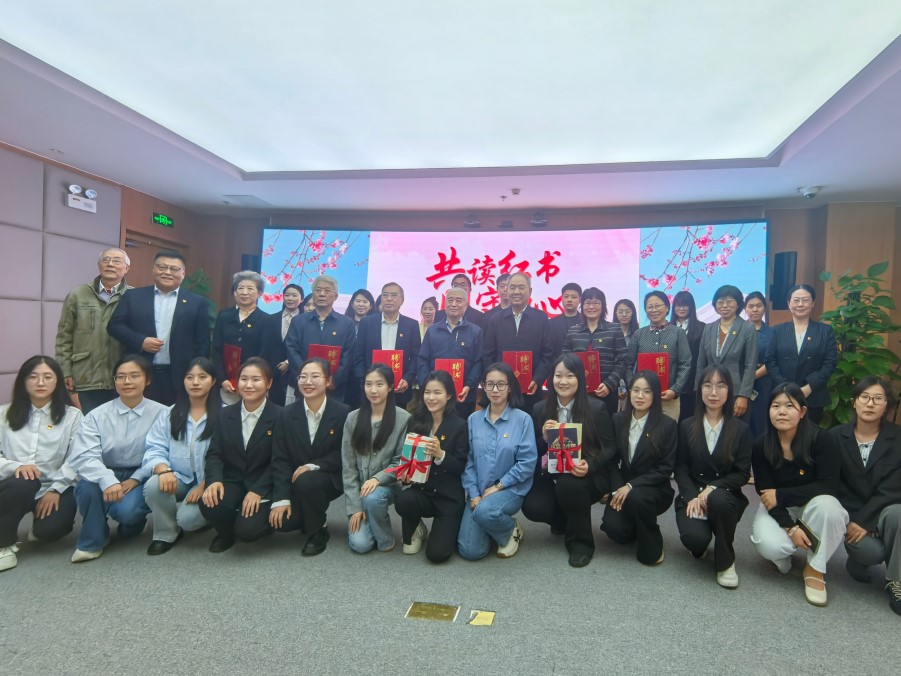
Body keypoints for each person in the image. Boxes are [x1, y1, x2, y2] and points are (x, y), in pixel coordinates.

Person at [750, 383, 848, 607]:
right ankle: (786, 551)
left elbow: (828, 486)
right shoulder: (761, 445)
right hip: (779, 506)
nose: (781, 412)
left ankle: (815, 569)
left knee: (831, 509)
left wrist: (782, 495)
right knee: (768, 544)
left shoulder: (822, 440)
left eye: (789, 406)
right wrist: (790, 527)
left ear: (802, 412)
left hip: (813, 504)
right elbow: (765, 494)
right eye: (775, 406)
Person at [68, 355, 168, 562]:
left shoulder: (162, 413)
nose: (127, 381)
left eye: (134, 376)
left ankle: (134, 523)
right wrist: (108, 479)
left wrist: (137, 478)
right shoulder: (97, 415)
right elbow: (85, 455)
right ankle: (92, 542)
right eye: (120, 377)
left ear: (147, 380)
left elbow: (162, 451)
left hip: (142, 473)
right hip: (104, 470)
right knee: (86, 488)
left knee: (127, 513)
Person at [521, 354, 616, 567]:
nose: (563, 381)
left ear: (580, 378)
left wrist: (589, 465)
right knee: (533, 505)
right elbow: (530, 450)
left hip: (590, 474)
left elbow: (610, 448)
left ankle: (581, 543)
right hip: (552, 473)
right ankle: (563, 520)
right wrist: (544, 438)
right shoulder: (540, 409)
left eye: (570, 376)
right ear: (551, 378)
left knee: (569, 485)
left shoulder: (596, 409)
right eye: (558, 375)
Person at [0, 357, 82, 572]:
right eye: (33, 377)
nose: (40, 382)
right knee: (24, 482)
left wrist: (56, 489)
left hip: (52, 487)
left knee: (50, 530)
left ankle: (38, 523)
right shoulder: (3, 414)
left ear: (57, 381)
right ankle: (3, 545)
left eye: (47, 377)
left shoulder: (72, 416)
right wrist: (15, 467)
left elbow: (77, 458)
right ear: (23, 381)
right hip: (12, 485)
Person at [674, 365, 752, 588]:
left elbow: (742, 473)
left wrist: (713, 487)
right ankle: (701, 541)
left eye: (721, 386)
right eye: (707, 385)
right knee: (695, 540)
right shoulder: (687, 425)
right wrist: (691, 496)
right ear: (700, 390)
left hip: (725, 498)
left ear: (729, 390)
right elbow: (680, 467)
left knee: (718, 498)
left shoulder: (741, 429)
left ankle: (726, 561)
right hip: (693, 495)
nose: (714, 392)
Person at [831, 377, 901, 615]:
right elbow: (833, 485)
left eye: (878, 398)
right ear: (854, 402)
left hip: (885, 510)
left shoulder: (898, 439)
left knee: (898, 514)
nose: (870, 404)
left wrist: (868, 520)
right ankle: (857, 562)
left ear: (886, 404)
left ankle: (896, 581)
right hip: (852, 517)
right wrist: (855, 520)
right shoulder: (835, 437)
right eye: (865, 397)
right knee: (872, 552)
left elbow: (895, 487)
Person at [269, 358, 350, 556]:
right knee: (282, 523)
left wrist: (313, 466)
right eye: (303, 377)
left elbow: (344, 453)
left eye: (315, 376)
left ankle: (318, 531)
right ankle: (307, 513)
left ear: (328, 381)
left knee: (308, 480)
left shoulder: (343, 413)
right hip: (296, 480)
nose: (308, 382)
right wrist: (281, 498)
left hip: (331, 476)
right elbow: (280, 458)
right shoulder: (286, 414)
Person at [107, 251, 211, 405]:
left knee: (175, 416)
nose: (167, 272)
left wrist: (198, 371)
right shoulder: (133, 296)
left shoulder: (197, 302)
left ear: (183, 273)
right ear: (154, 269)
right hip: (140, 371)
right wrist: (140, 341)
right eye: (162, 267)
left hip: (180, 374)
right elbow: (114, 326)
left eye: (174, 269)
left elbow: (203, 341)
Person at [141, 358, 221, 555]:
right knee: (154, 485)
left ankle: (205, 519)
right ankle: (165, 533)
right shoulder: (169, 414)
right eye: (189, 377)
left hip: (210, 480)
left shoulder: (225, 414)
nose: (195, 382)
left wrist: (206, 484)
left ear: (213, 381)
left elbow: (231, 455)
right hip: (179, 477)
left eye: (202, 377)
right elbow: (155, 447)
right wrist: (163, 470)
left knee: (188, 520)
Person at [200, 358, 281, 553]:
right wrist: (214, 480)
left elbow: (280, 460)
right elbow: (214, 453)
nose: (249, 385)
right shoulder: (224, 414)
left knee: (247, 531)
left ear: (269, 383)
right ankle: (226, 534)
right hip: (234, 480)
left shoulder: (280, 416)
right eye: (244, 379)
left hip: (263, 484)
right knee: (209, 502)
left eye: (256, 379)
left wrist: (259, 490)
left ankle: (260, 524)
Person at [458, 362, 537, 560]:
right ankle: (491, 521)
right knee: (471, 551)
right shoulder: (473, 419)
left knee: (485, 513)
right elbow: (468, 461)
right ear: (483, 387)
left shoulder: (523, 419)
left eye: (501, 384)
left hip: (510, 490)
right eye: (490, 384)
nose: (495, 390)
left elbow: (527, 462)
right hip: (479, 492)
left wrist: (498, 486)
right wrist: (474, 494)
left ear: (510, 387)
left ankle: (511, 529)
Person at [601, 370, 677, 565]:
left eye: (647, 391)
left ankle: (652, 538)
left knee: (637, 498)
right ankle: (638, 522)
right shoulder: (618, 419)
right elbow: (611, 460)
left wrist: (631, 486)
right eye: (635, 390)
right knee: (614, 529)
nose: (640, 396)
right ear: (629, 392)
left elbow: (665, 468)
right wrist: (617, 488)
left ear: (655, 395)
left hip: (654, 488)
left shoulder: (667, 425)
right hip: (623, 486)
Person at [394, 370, 469, 563]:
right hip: (423, 491)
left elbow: (460, 466)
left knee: (437, 554)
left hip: (448, 498)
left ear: (449, 395)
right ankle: (418, 528)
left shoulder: (460, 425)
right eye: (427, 392)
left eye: (437, 392)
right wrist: (405, 474)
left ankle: (446, 526)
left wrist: (440, 454)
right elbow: (409, 458)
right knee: (402, 499)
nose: (431, 398)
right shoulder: (416, 421)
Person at [342, 364, 411, 553]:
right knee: (361, 545)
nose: (373, 390)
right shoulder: (352, 418)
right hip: (359, 491)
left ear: (390, 387)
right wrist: (355, 508)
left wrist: (377, 479)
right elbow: (348, 467)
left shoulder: (403, 418)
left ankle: (385, 539)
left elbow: (401, 462)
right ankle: (366, 516)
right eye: (368, 384)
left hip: (388, 487)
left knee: (372, 497)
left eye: (379, 384)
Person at [55, 248, 132, 413]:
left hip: (123, 377)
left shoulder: (134, 296)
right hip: (85, 376)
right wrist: (65, 371)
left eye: (116, 261)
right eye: (106, 260)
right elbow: (64, 337)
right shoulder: (78, 295)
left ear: (126, 268)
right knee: (87, 424)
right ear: (99, 265)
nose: (110, 264)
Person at [764, 284, 838, 424]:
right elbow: (770, 360)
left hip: (812, 395)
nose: (800, 304)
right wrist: (785, 388)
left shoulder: (825, 331)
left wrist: (809, 387)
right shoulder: (777, 331)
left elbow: (830, 362)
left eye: (805, 300)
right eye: (796, 300)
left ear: (813, 303)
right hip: (782, 395)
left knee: (810, 434)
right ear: (789, 303)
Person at [483, 272, 554, 414]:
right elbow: (488, 354)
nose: (516, 292)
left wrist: (538, 379)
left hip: (531, 389)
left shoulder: (541, 318)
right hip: (501, 390)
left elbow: (548, 354)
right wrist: (493, 381)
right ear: (507, 290)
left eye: (521, 287)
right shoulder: (496, 319)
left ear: (530, 291)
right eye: (512, 287)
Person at [285, 275, 356, 402]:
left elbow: (348, 355)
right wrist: (306, 377)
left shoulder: (346, 323)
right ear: (313, 295)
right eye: (318, 290)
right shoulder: (298, 321)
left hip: (334, 389)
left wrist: (334, 380)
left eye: (327, 290)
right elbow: (291, 350)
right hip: (305, 387)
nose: (322, 294)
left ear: (335, 296)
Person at [418, 287, 484, 418]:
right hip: (435, 396)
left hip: (463, 396)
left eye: (458, 301)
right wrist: (426, 385)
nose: (453, 304)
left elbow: (478, 362)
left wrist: (469, 385)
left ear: (466, 306)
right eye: (450, 300)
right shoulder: (432, 330)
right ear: (445, 304)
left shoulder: (475, 331)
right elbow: (422, 360)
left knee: (460, 429)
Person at [353, 282, 421, 409]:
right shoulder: (367, 323)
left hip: (399, 389)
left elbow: (416, 356)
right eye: (385, 295)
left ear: (402, 300)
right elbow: (358, 355)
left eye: (394, 295)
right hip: (371, 390)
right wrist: (365, 381)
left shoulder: (411, 325)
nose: (389, 299)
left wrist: (408, 379)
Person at [562, 287, 629, 413]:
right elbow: (565, 359)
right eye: (587, 303)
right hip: (578, 392)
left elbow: (623, 360)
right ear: (582, 306)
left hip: (607, 392)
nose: (591, 307)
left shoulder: (614, 329)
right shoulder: (573, 331)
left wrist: (609, 384)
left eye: (596, 303)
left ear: (603, 306)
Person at [626, 291, 692, 421]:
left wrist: (675, 390)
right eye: (650, 307)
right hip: (642, 398)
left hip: (669, 398)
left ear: (667, 308)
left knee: (668, 432)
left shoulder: (678, 333)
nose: (654, 310)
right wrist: (633, 387)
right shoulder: (639, 334)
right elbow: (627, 364)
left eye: (657, 306)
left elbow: (685, 363)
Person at [695, 285, 758, 420]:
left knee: (734, 430)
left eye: (729, 301)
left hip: (735, 393)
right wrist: (698, 391)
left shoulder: (747, 329)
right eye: (720, 302)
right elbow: (701, 363)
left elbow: (750, 365)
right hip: (710, 392)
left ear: (738, 304)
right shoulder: (708, 328)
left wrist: (744, 395)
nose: (724, 305)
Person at [212, 271, 270, 405]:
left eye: (250, 288)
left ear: (259, 293)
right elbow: (216, 349)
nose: (244, 292)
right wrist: (222, 379)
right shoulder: (224, 316)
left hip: (253, 384)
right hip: (227, 383)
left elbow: (265, 354)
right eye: (240, 288)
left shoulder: (266, 320)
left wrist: (252, 379)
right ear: (235, 292)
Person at [261, 283, 304, 406]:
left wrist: (288, 362)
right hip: (273, 371)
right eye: (287, 295)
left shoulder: (305, 321)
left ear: (301, 299)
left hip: (294, 372)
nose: (290, 298)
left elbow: (303, 346)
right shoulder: (270, 319)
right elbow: (265, 346)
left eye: (294, 296)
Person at [670, 291, 706, 421]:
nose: (681, 308)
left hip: (692, 383)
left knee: (689, 421)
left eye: (685, 305)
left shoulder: (702, 328)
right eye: (678, 305)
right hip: (670, 384)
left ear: (691, 307)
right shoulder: (666, 328)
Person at [744, 291, 772, 439]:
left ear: (764, 308)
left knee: (760, 424)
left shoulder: (772, 333)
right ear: (745, 309)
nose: (755, 310)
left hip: (763, 384)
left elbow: (772, 360)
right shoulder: (737, 331)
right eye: (750, 306)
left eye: (759, 306)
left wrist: (752, 376)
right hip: (740, 383)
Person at [613, 299, 639, 412]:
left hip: (633, 377)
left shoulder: (638, 333)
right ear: (615, 313)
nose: (624, 315)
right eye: (620, 311)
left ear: (633, 313)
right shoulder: (609, 332)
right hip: (614, 377)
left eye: (627, 311)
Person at [548, 282, 583, 358]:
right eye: (566, 297)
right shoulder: (551, 323)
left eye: (574, 297)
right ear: (562, 299)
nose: (569, 300)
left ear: (580, 300)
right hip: (557, 364)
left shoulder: (585, 322)